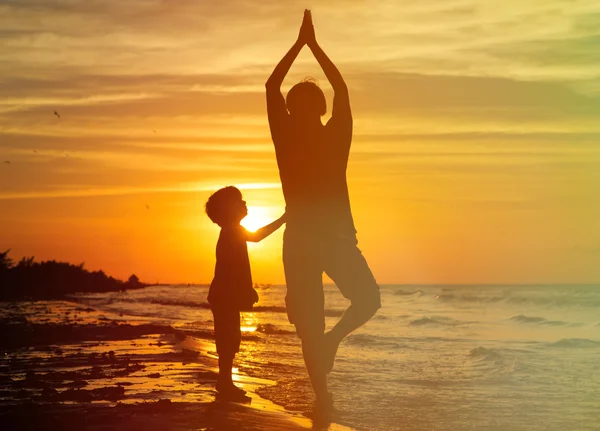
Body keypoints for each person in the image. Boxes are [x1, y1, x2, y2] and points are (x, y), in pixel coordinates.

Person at [265, 9, 381, 418]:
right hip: (319, 238)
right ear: (318, 107)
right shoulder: (331, 135)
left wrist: (302, 45)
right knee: (359, 304)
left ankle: (325, 372)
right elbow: (340, 89)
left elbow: (272, 85)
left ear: (303, 109)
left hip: (310, 239)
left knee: (330, 317)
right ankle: (323, 394)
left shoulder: (296, 136)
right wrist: (312, 46)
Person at [205, 186, 286, 399]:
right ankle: (225, 383)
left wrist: (246, 290)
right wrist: (283, 219)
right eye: (239, 202)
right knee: (228, 339)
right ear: (229, 210)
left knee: (229, 339)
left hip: (224, 295)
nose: (244, 204)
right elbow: (256, 240)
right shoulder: (233, 231)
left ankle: (225, 382)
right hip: (225, 295)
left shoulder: (232, 230)